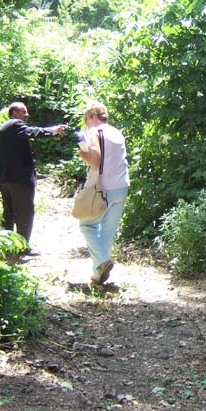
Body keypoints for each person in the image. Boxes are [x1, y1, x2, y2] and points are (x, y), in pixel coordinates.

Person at [0, 102, 64, 252]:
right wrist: (52, 131)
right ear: (14, 113)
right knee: (25, 212)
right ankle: (22, 247)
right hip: (19, 180)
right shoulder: (15, 125)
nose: (27, 115)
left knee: (9, 213)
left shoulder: (5, 129)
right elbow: (33, 132)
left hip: (5, 179)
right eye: (23, 112)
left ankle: (6, 246)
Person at [76, 100, 129, 285]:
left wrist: (82, 154)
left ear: (92, 117)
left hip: (102, 189)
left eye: (86, 119)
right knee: (107, 231)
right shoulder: (117, 132)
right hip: (122, 186)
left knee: (87, 226)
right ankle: (98, 273)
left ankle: (102, 262)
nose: (86, 123)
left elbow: (95, 160)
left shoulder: (93, 132)